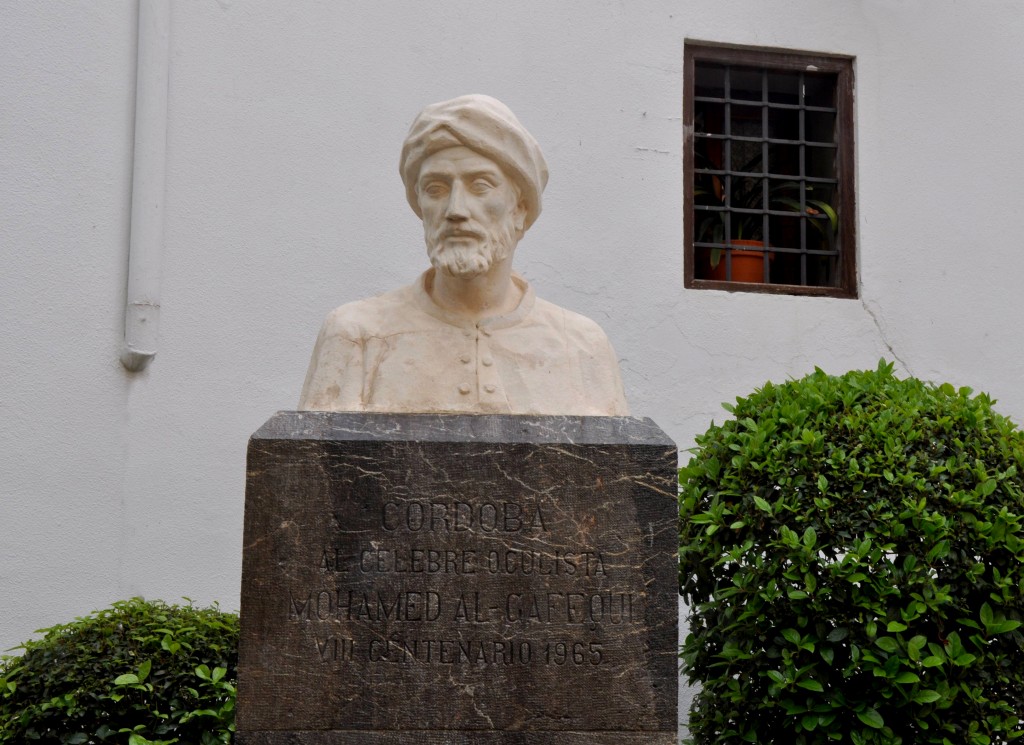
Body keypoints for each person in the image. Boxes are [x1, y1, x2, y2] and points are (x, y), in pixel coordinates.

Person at [298, 95, 628, 416]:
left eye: (480, 185)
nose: (456, 209)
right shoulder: (356, 335)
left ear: (520, 208)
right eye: (435, 189)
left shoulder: (582, 346)